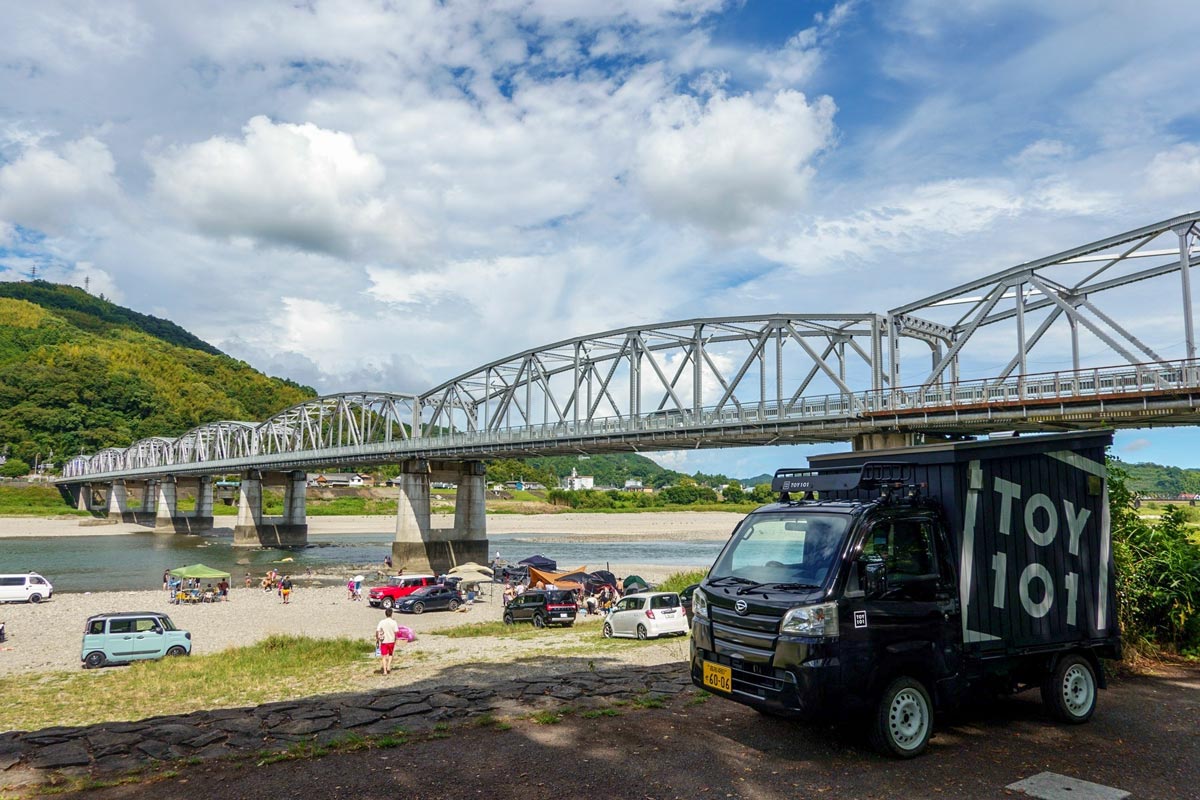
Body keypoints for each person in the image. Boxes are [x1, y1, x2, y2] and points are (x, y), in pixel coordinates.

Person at [376, 608, 400, 676]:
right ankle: (388, 666)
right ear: (391, 614)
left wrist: (377, 638)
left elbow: (377, 630)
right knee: (390, 654)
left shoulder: (381, 622)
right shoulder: (394, 622)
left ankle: (385, 671)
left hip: (384, 641)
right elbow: (396, 632)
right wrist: (396, 639)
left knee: (383, 656)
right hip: (391, 640)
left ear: (385, 614)